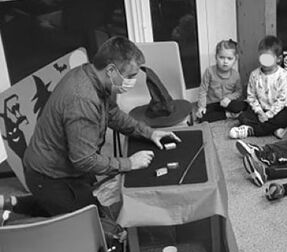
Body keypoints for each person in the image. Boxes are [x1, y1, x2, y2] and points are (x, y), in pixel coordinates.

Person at [20, 36, 178, 219]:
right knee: (95, 226)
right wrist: (129, 163)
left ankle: (15, 203)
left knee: (88, 205)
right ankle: (30, 203)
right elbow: (84, 159)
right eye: (131, 76)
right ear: (111, 70)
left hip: (65, 166)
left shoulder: (94, 76)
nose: (133, 82)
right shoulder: (82, 100)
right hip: (48, 175)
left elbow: (113, 114)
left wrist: (149, 133)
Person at [229, 35, 287, 139]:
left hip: (276, 111)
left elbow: (282, 100)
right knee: (242, 117)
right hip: (260, 110)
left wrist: (268, 115)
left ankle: (250, 130)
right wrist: (260, 112)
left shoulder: (284, 75)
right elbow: (251, 96)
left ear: (279, 59)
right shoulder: (254, 74)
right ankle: (274, 129)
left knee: (285, 118)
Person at [195, 39, 246, 122]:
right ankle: (228, 115)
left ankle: (233, 112)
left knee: (239, 106)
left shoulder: (235, 74)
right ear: (216, 57)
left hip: (228, 103)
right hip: (213, 104)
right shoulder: (209, 71)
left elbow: (239, 91)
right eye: (221, 57)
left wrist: (229, 98)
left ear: (235, 59)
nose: (225, 61)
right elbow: (203, 91)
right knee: (200, 117)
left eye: (229, 58)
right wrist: (201, 106)